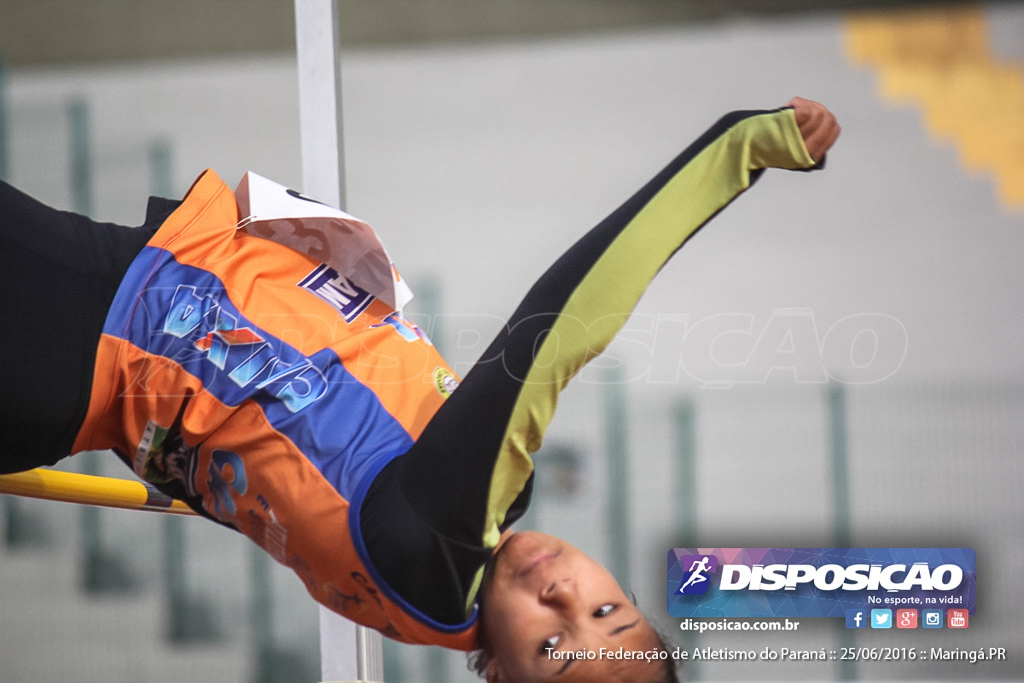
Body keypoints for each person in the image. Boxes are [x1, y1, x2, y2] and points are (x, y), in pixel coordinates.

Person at [0, 96, 839, 681]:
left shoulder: (441, 542)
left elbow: (559, 327)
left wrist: (741, 149)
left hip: (79, 326)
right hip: (95, 343)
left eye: (553, 648)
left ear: (502, 677)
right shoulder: (434, 568)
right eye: (608, 610)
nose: (563, 595)